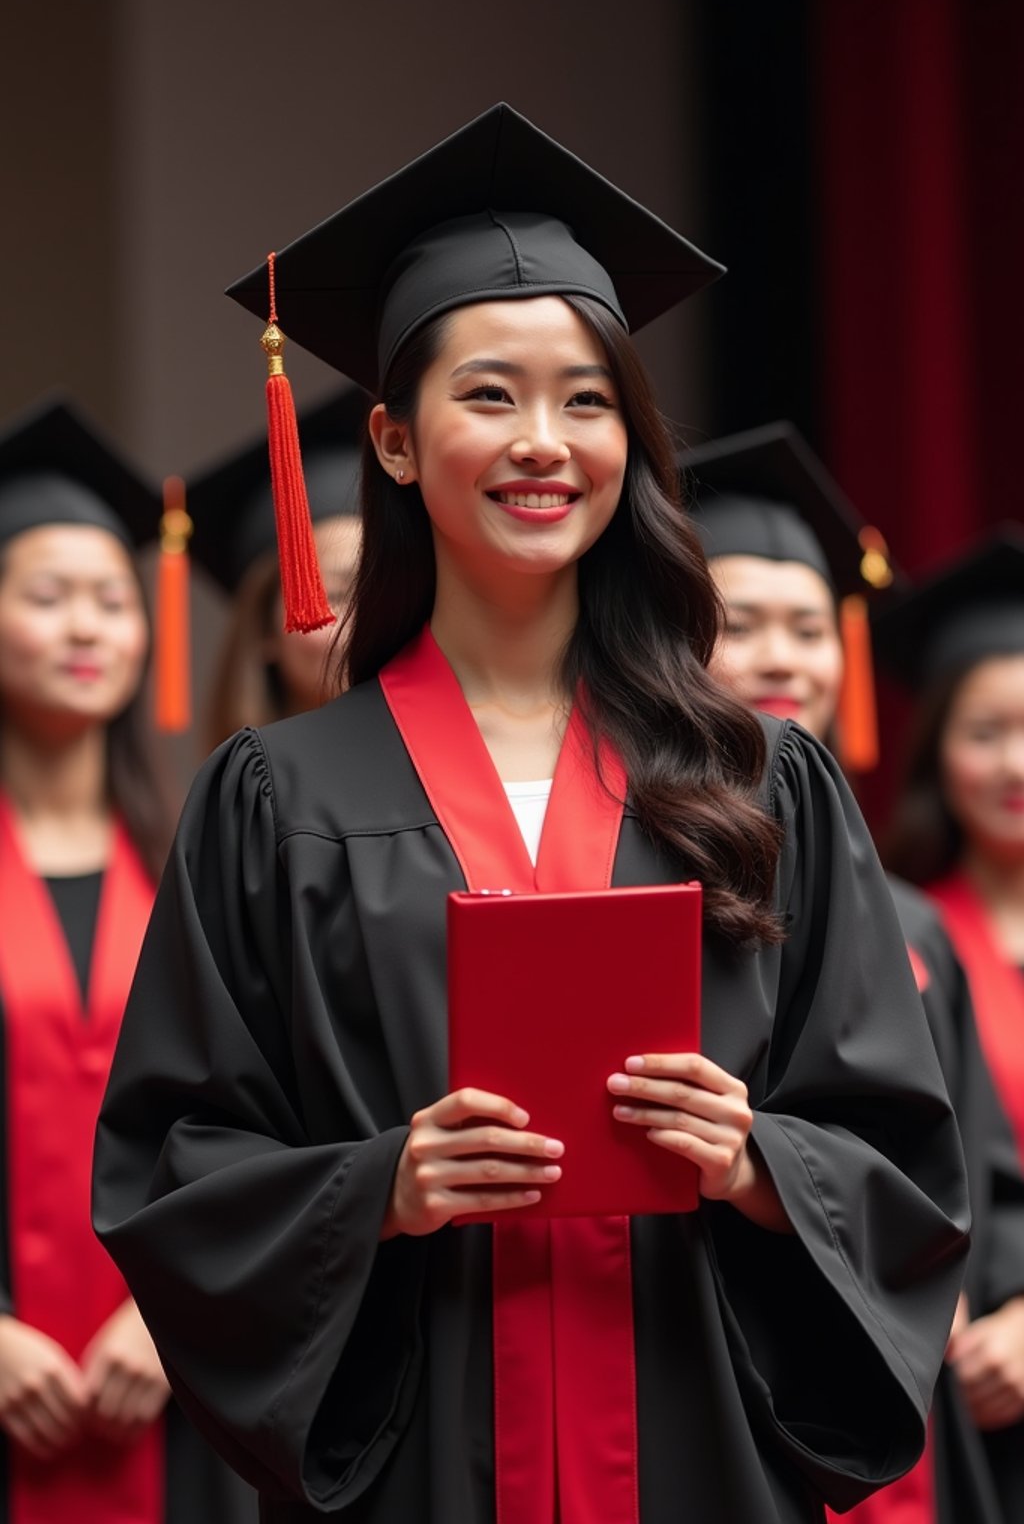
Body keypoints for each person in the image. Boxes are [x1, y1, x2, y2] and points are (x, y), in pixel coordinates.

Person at [92, 104, 969, 1524]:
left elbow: (903, 1156)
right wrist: (382, 1185)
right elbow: (176, 1169)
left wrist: (759, 1163)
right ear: (390, 437)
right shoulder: (277, 798)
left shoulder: (761, 782)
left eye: (588, 398)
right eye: (489, 395)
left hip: (702, 1443)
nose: (545, 442)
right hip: (427, 1456)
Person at [684, 423, 1024, 1524]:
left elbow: (969, 1167)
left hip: (915, 1394)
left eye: (808, 626)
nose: (784, 658)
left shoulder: (914, 928)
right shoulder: (639, 891)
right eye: (743, 625)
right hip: (724, 1375)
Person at [0, 399, 257, 1524]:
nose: (87, 627)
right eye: (46, 598)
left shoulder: (202, 857)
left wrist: (176, 1309)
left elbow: (257, 1113)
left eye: (111, 599)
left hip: (171, 1386)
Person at [877, 528, 1024, 1523]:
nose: (1016, 762)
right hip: (975, 1404)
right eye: (984, 731)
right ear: (936, 749)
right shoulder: (899, 940)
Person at [188, 387, 367, 750]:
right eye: (332, 594)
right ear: (264, 627)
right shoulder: (239, 801)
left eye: (388, 584)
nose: (369, 615)